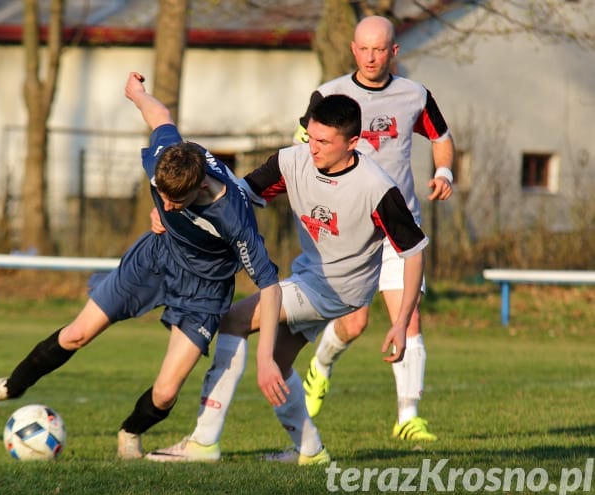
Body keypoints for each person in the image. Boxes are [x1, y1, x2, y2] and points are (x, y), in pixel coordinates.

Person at [0, 71, 284, 460]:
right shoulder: (169, 157)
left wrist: (266, 358)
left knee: (166, 392)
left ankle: (129, 433)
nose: (166, 204)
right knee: (77, 333)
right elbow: (160, 116)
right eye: (161, 196)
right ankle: (10, 387)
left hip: (204, 290)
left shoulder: (235, 218)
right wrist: (137, 93)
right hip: (156, 257)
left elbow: (271, 286)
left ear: (200, 188)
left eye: (176, 202)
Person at [143, 93, 428, 465]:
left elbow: (414, 252)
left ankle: (203, 441)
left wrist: (402, 321)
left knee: (234, 320)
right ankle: (311, 453)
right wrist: (173, 205)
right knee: (278, 363)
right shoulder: (292, 160)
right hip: (311, 277)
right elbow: (236, 197)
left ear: (353, 143)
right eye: (311, 137)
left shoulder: (377, 188)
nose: (314, 148)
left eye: (325, 142)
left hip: (336, 289)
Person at [294, 15, 455, 442]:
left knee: (409, 318)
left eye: (379, 49)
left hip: (397, 224)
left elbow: (441, 136)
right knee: (355, 323)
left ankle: (408, 417)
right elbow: (301, 148)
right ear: (352, 49)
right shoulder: (329, 94)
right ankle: (322, 365)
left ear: (393, 52)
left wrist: (445, 172)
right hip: (350, 229)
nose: (370, 57)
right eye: (363, 48)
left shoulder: (414, 95)